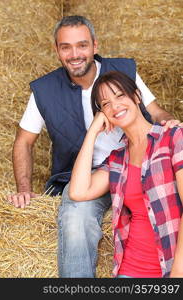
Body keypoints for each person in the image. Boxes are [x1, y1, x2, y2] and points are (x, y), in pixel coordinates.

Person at [7, 15, 183, 278]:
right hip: (91, 175)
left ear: (95, 45)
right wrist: (24, 190)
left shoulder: (124, 75)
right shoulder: (44, 90)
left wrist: (171, 128)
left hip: (140, 163)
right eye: (66, 47)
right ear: (57, 51)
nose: (75, 54)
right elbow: (23, 141)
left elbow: (156, 112)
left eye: (82, 45)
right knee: (75, 219)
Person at [69, 70, 183, 278]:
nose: (115, 106)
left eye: (120, 95)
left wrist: (178, 271)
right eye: (105, 104)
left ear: (137, 96)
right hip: (130, 270)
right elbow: (78, 192)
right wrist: (93, 132)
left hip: (171, 269)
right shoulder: (118, 159)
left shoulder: (173, 138)